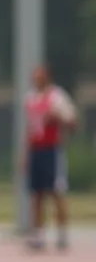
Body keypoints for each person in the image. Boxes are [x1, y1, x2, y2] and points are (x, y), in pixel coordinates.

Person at [23, 64, 77, 251]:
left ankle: (62, 233)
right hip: (36, 149)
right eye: (34, 76)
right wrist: (25, 154)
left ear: (47, 77)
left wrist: (58, 117)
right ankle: (38, 234)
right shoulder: (30, 98)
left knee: (56, 192)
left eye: (40, 76)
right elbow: (30, 129)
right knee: (36, 194)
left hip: (52, 150)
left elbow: (72, 122)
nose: (36, 80)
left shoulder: (57, 97)